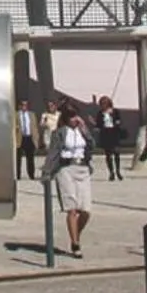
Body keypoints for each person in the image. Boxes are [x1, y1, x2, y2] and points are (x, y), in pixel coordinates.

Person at [44, 103, 94, 256]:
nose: (74, 119)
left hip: (82, 168)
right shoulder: (59, 133)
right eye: (71, 116)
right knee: (71, 208)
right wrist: (47, 172)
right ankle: (75, 244)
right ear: (65, 118)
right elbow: (53, 153)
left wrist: (85, 129)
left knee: (85, 210)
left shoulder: (82, 131)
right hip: (65, 169)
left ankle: (75, 233)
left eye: (76, 116)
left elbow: (92, 145)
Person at [96, 96, 124, 181]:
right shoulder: (100, 113)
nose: (104, 105)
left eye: (105, 103)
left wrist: (116, 121)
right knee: (108, 155)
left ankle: (118, 171)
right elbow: (98, 124)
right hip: (105, 133)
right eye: (102, 104)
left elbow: (119, 120)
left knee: (116, 152)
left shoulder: (115, 111)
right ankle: (111, 172)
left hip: (114, 133)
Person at [15, 99, 37, 180]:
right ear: (20, 106)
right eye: (23, 105)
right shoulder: (16, 115)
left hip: (29, 137)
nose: (25, 107)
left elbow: (34, 127)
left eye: (26, 105)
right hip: (20, 138)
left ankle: (31, 174)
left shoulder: (32, 114)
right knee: (18, 158)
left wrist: (36, 138)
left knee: (30, 158)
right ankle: (18, 175)